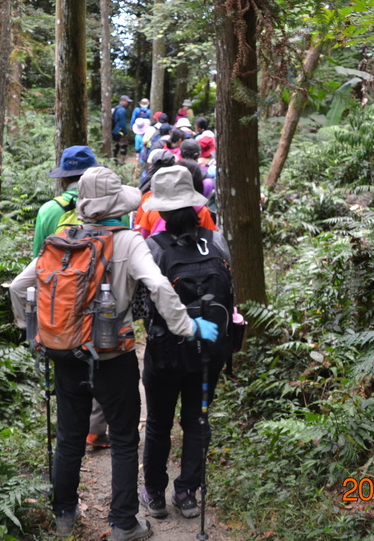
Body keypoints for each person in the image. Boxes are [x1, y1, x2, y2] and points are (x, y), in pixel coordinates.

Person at [10, 166, 219, 541]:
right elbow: (157, 285)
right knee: (124, 438)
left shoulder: (62, 238)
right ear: (116, 205)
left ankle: (64, 515)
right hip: (112, 357)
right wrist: (188, 327)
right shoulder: (127, 241)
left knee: (70, 435)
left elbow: (20, 287)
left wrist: (38, 333)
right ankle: (124, 523)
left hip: (63, 353)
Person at [138, 165, 232, 521]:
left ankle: (155, 494)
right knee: (197, 421)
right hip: (209, 351)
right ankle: (188, 493)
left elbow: (140, 303)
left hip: (164, 353)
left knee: (159, 423)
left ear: (159, 210)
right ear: (195, 206)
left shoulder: (153, 248)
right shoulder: (217, 240)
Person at [30, 146, 112, 450]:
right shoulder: (110, 206)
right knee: (101, 361)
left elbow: (38, 263)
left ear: (65, 177)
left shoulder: (49, 211)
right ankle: (96, 429)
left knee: (67, 366)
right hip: (101, 303)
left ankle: (70, 436)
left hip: (59, 306)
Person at [112, 95, 132, 164]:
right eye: (127, 102)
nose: (128, 104)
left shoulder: (116, 108)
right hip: (120, 131)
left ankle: (114, 160)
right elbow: (122, 123)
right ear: (123, 101)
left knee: (116, 145)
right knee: (124, 145)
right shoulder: (122, 110)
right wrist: (126, 133)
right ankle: (122, 162)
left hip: (114, 130)